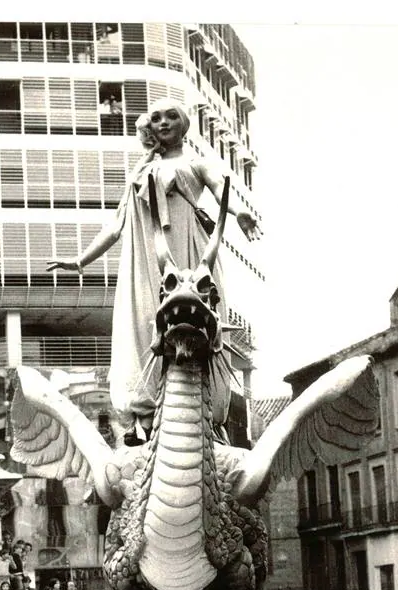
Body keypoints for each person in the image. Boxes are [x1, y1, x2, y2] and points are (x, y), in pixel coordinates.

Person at [47, 99, 261, 444]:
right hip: (144, 259)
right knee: (143, 324)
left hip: (186, 255)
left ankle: (207, 413)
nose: (163, 123)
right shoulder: (139, 173)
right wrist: (80, 261)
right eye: (156, 118)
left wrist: (240, 213)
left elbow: (222, 191)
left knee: (191, 318)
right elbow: (116, 226)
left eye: (171, 116)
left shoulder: (196, 162)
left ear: (185, 124)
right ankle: (143, 417)